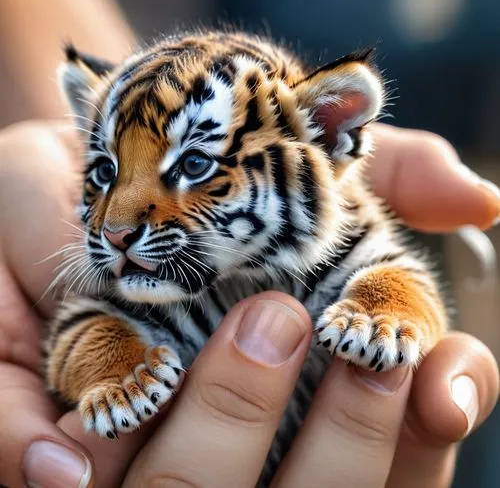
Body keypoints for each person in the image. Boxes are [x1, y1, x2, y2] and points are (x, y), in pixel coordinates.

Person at [0, 119, 498, 488]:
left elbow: (408, 283)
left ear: (326, 136)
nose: (120, 224)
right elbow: (78, 329)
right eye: (106, 170)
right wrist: (113, 371)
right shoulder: (128, 272)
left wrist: (387, 309)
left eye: (195, 164)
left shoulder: (347, 223)